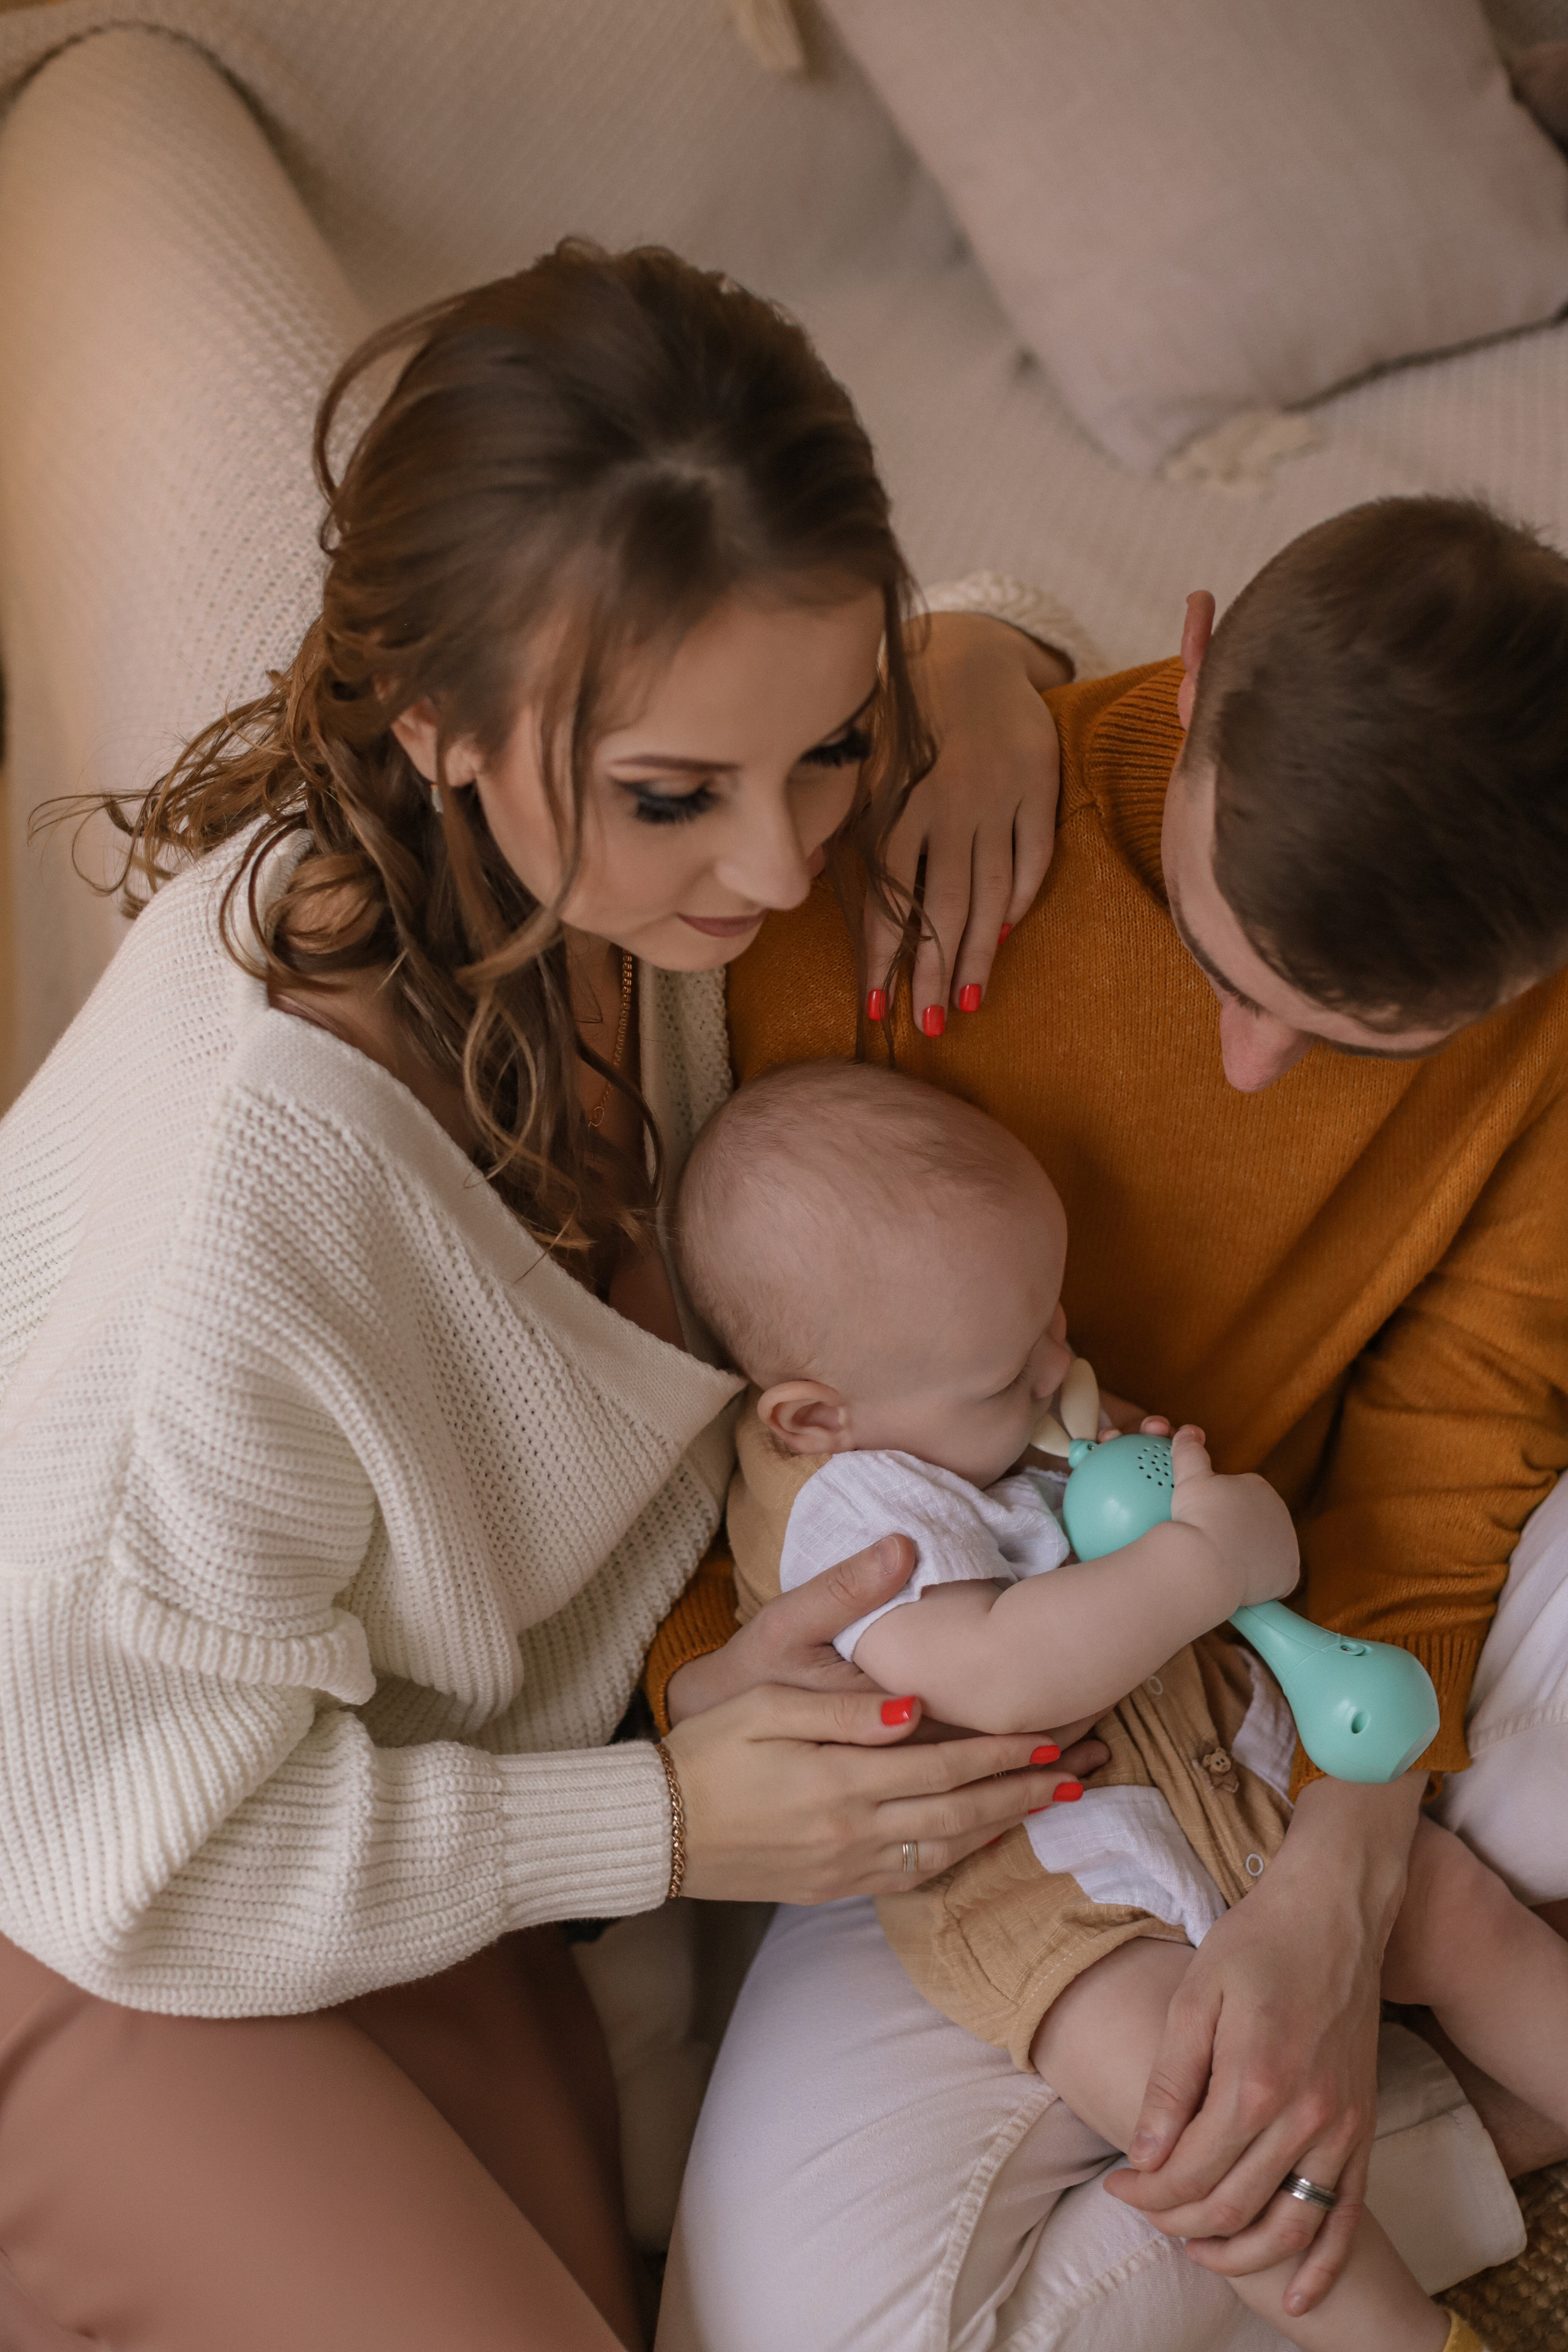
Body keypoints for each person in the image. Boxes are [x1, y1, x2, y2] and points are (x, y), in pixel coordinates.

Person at [0, 240, 1096, 2352]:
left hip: (376, 1819)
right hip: (91, 1873)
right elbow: (105, 1827)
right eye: (675, 796)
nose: (781, 871)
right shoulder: (261, 1208)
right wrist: (667, 1821)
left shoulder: (621, 910)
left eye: (832, 750)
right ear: (437, 727)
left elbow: (970, 618)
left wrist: (977, 662)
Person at [655, 496, 1568, 2352]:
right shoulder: (916, 861)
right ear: (1202, 650)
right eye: (1235, 979)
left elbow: (1459, 1441)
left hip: (1320, 1668)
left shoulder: (1531, 975)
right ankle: (1454, 2139)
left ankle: (1378, 2082)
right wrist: (721, 1706)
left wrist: (1342, 1859)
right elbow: (712, 1422)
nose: (1252, 1071)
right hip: (987, 1794)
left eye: (1361, 1038)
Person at [674, 1055, 1568, 2352]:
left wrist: (1159, 1484)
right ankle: (1408, 2340)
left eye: (1054, 1318)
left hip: (1231, 1776)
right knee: (1219, 2134)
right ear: (815, 1415)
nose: (1060, 1366)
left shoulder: (959, 1386)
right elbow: (1000, 1671)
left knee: (1462, 1917)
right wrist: (1199, 1562)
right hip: (1062, 1906)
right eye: (1009, 1374)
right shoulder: (844, 1509)